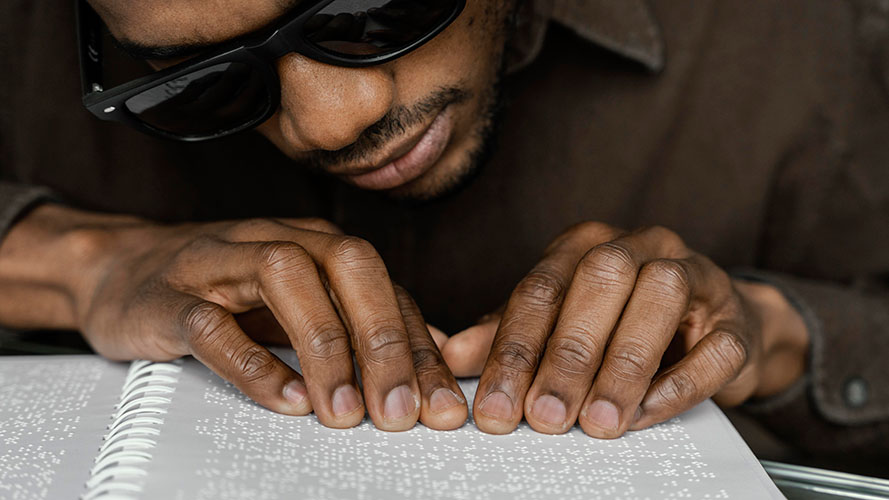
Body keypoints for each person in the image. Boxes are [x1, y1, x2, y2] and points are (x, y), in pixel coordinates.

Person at [1, 0, 887, 458]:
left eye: (366, 14)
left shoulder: (804, 36)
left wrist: (771, 336)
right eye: (190, 79)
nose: (327, 122)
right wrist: (78, 262)